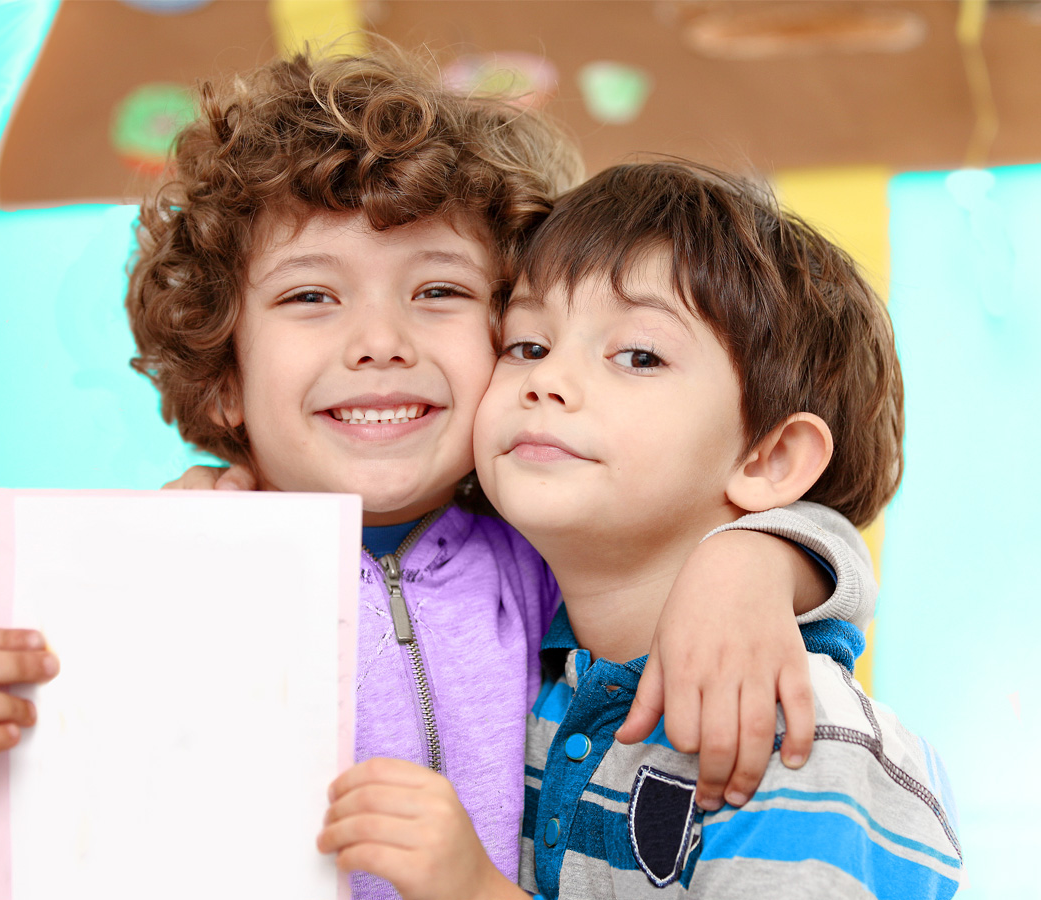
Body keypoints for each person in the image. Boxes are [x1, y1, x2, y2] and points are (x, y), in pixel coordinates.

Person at [0, 48, 876, 899]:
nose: (378, 342)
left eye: (440, 291)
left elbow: (702, 526)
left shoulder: (541, 551)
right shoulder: (154, 583)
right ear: (226, 374)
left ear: (511, 338)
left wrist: (753, 560)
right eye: (312, 294)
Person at [317, 162, 962, 899]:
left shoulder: (798, 739)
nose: (546, 379)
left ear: (771, 457)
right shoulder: (543, 674)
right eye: (527, 345)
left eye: (639, 355)